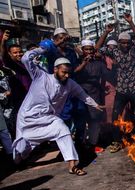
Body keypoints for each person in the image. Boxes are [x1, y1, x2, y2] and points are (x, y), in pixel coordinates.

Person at [12, 47, 104, 175]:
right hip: (27, 118)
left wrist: (96, 105)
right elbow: (26, 58)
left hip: (49, 118)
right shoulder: (40, 76)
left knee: (63, 130)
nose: (66, 75)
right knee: (21, 149)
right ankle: (17, 162)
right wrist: (42, 49)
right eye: (63, 72)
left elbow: (83, 95)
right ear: (55, 69)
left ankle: (73, 165)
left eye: (68, 73)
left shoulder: (70, 83)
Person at [96, 13, 135, 152]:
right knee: (115, 118)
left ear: (130, 43)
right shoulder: (115, 51)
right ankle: (117, 141)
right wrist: (106, 32)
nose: (125, 45)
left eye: (127, 42)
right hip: (122, 91)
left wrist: (130, 22)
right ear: (118, 43)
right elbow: (97, 48)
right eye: (122, 42)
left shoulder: (134, 50)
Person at [74, 39, 111, 152]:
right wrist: (84, 63)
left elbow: (108, 75)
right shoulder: (77, 61)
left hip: (95, 95)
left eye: (91, 49)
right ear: (83, 50)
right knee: (80, 122)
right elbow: (74, 72)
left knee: (94, 121)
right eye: (86, 49)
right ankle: (80, 144)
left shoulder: (99, 64)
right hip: (80, 95)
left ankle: (93, 144)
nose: (89, 52)